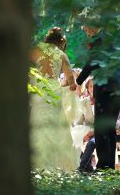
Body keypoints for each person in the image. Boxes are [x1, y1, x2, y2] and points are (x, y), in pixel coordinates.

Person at [76, 20, 120, 170]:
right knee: (109, 127)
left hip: (106, 88)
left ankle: (103, 166)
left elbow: (91, 63)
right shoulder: (112, 38)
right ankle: (109, 165)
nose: (87, 33)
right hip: (119, 87)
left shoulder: (99, 40)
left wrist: (78, 80)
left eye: (86, 30)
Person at [29, 27, 77, 171]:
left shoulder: (35, 50)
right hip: (54, 91)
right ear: (61, 41)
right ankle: (54, 164)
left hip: (38, 90)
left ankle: (36, 163)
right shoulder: (61, 54)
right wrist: (66, 84)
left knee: (37, 122)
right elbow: (71, 80)